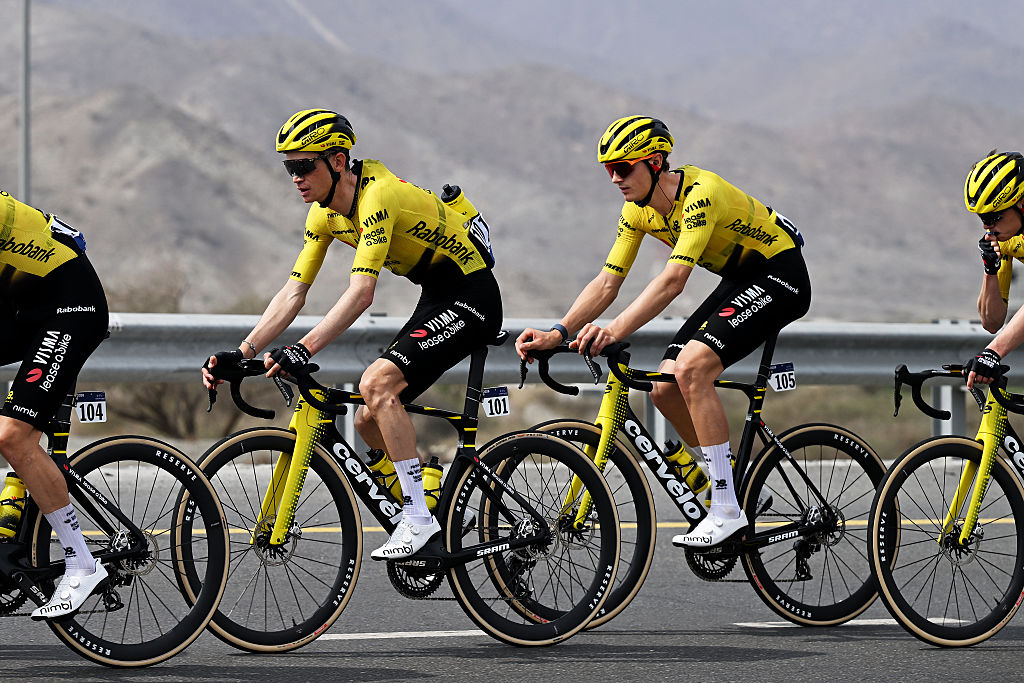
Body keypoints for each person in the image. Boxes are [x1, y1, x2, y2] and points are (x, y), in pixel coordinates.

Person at [202, 109, 501, 559]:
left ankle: (417, 520)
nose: (296, 178)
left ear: (338, 161)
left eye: (305, 166)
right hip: (438, 292)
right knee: (367, 418)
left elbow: (362, 293)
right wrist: (241, 350)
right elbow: (293, 293)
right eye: (289, 168)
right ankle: (430, 488)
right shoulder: (322, 215)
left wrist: (303, 348)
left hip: (472, 294)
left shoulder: (377, 195)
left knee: (376, 385)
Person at [516, 115, 810, 547]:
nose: (615, 178)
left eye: (623, 167)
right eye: (607, 170)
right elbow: (607, 282)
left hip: (780, 276)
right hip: (740, 278)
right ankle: (736, 481)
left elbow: (674, 281)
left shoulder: (700, 194)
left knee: (691, 369)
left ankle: (726, 508)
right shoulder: (636, 212)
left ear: (655, 163)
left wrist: (613, 330)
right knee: (664, 388)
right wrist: (558, 332)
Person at [0, 190, 109, 618]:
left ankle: (82, 563)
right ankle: (10, 521)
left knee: (14, 436)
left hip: (70, 310)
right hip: (27, 306)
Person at [963, 151, 1024, 390]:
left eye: (994, 216)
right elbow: (992, 322)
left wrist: (993, 351)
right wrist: (990, 269)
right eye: (982, 218)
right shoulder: (1005, 241)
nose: (988, 226)